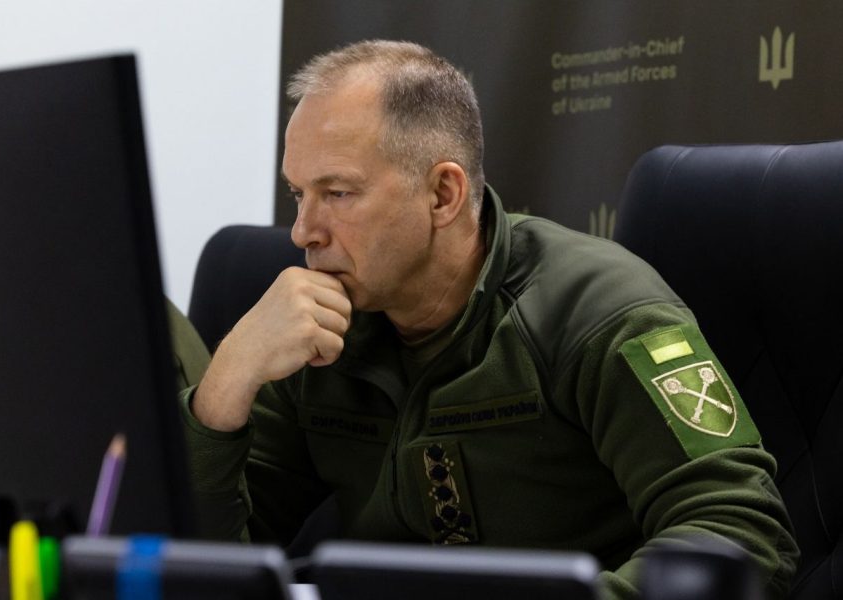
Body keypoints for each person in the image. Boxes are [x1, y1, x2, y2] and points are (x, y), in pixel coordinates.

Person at [180, 40, 798, 598]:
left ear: (442, 195)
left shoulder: (595, 310)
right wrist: (227, 380)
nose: (302, 231)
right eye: (298, 194)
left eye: (337, 193)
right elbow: (196, 565)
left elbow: (739, 533)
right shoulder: (319, 324)